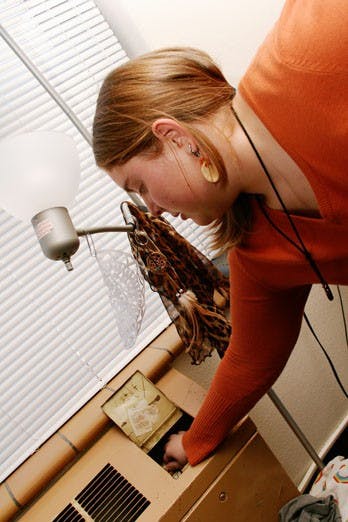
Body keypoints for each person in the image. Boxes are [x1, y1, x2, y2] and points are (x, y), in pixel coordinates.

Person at [93, 0, 348, 472]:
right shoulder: (257, 250)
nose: (154, 210)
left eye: (141, 186)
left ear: (175, 137)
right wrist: (194, 441)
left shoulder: (312, 41)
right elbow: (250, 361)